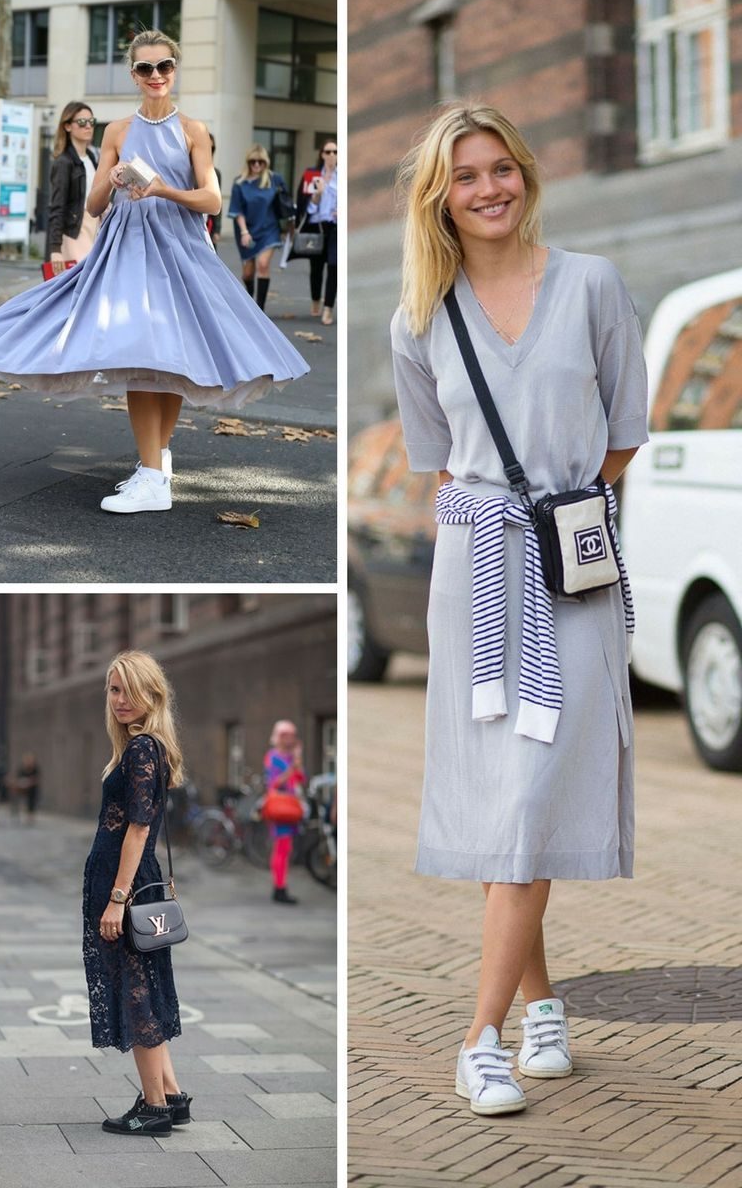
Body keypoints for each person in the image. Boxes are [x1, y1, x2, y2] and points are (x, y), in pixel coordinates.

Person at [391, 102, 648, 1118]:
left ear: (524, 174)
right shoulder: (417, 314)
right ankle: (540, 1004)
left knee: (531, 796)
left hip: (568, 567)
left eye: (500, 168)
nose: (488, 187)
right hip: (472, 578)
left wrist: (560, 507)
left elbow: (623, 428)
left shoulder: (589, 285)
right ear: (437, 197)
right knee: (510, 805)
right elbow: (433, 462)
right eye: (465, 176)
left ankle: (478, 1037)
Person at [0, 30, 309, 515]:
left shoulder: (192, 129)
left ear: (175, 70)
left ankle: (154, 471)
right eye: (145, 68)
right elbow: (93, 203)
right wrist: (115, 175)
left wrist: (164, 190)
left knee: (166, 359)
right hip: (125, 249)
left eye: (164, 66)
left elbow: (211, 200)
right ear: (133, 74)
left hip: (179, 251)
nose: (155, 76)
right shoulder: (117, 131)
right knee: (141, 354)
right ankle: (155, 467)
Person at [83, 650, 188, 1137]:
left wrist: (117, 899)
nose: (120, 699)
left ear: (152, 693)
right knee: (144, 983)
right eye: (114, 688)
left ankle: (153, 1109)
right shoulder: (140, 747)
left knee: (137, 992)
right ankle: (169, 1094)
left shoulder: (143, 749)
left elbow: (138, 830)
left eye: (129, 688)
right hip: (125, 881)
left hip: (125, 886)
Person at [228, 144, 287, 313]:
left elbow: (286, 202)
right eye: (253, 161)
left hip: (269, 229)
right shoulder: (239, 183)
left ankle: (259, 309)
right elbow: (237, 210)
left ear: (266, 163)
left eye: (260, 162)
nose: (256, 165)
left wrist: (289, 224)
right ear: (248, 162)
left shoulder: (275, 180)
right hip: (247, 230)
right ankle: (250, 297)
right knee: (247, 274)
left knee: (263, 264)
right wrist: (244, 232)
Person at [46, 101, 100, 274]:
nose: (88, 127)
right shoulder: (64, 162)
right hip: (75, 231)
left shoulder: (91, 157)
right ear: (68, 126)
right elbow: (57, 207)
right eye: (82, 122)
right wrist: (55, 249)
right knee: (79, 284)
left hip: (95, 228)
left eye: (91, 122)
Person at [263, 719, 306, 905]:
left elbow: (301, 778)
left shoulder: (291, 758)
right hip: (280, 806)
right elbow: (274, 783)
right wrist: (292, 769)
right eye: (286, 735)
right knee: (281, 848)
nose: (290, 739)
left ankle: (281, 886)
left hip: (291, 806)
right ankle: (279, 887)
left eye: (292, 736)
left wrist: (298, 760)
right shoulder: (272, 757)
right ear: (279, 737)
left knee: (285, 848)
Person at [296, 140, 338, 325]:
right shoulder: (312, 175)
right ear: (321, 154)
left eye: (335, 152)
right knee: (316, 267)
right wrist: (317, 195)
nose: (331, 155)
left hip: (336, 226)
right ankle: (315, 300)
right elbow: (306, 206)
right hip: (317, 225)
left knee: (334, 266)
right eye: (328, 151)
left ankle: (328, 308)